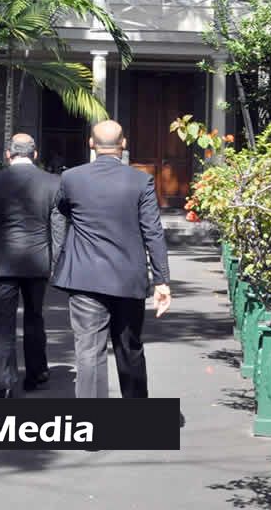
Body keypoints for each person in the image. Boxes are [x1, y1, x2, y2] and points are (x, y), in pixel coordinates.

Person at [52, 120, 172, 398]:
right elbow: (153, 232)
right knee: (129, 347)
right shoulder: (140, 180)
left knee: (89, 352)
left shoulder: (72, 178)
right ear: (124, 144)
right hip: (127, 278)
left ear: (91, 144)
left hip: (84, 277)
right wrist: (162, 281)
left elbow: (63, 209)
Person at [0, 133, 64, 398]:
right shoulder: (53, 182)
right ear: (36, 154)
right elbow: (58, 229)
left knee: (2, 324)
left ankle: (6, 383)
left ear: (8, 154)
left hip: (2, 264)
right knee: (35, 316)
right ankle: (36, 372)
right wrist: (57, 264)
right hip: (38, 262)